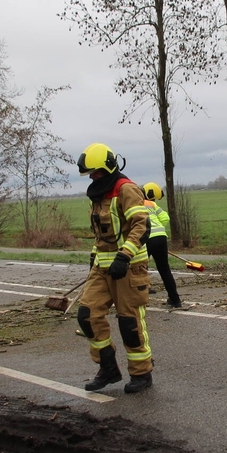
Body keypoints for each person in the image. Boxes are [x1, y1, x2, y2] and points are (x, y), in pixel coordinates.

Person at [75, 142, 154, 393]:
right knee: (87, 316)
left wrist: (124, 255)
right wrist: (94, 257)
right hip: (102, 268)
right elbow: (102, 234)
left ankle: (142, 373)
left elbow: (142, 226)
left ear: (108, 168)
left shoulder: (126, 189)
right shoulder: (98, 195)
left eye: (96, 172)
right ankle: (108, 368)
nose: (92, 177)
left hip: (129, 268)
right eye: (90, 174)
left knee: (129, 323)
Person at [142, 182, 183, 308]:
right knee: (165, 270)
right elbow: (165, 218)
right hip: (161, 237)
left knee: (139, 268)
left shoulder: (134, 204)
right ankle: (175, 300)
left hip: (145, 238)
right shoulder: (152, 204)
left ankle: (140, 298)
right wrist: (157, 229)